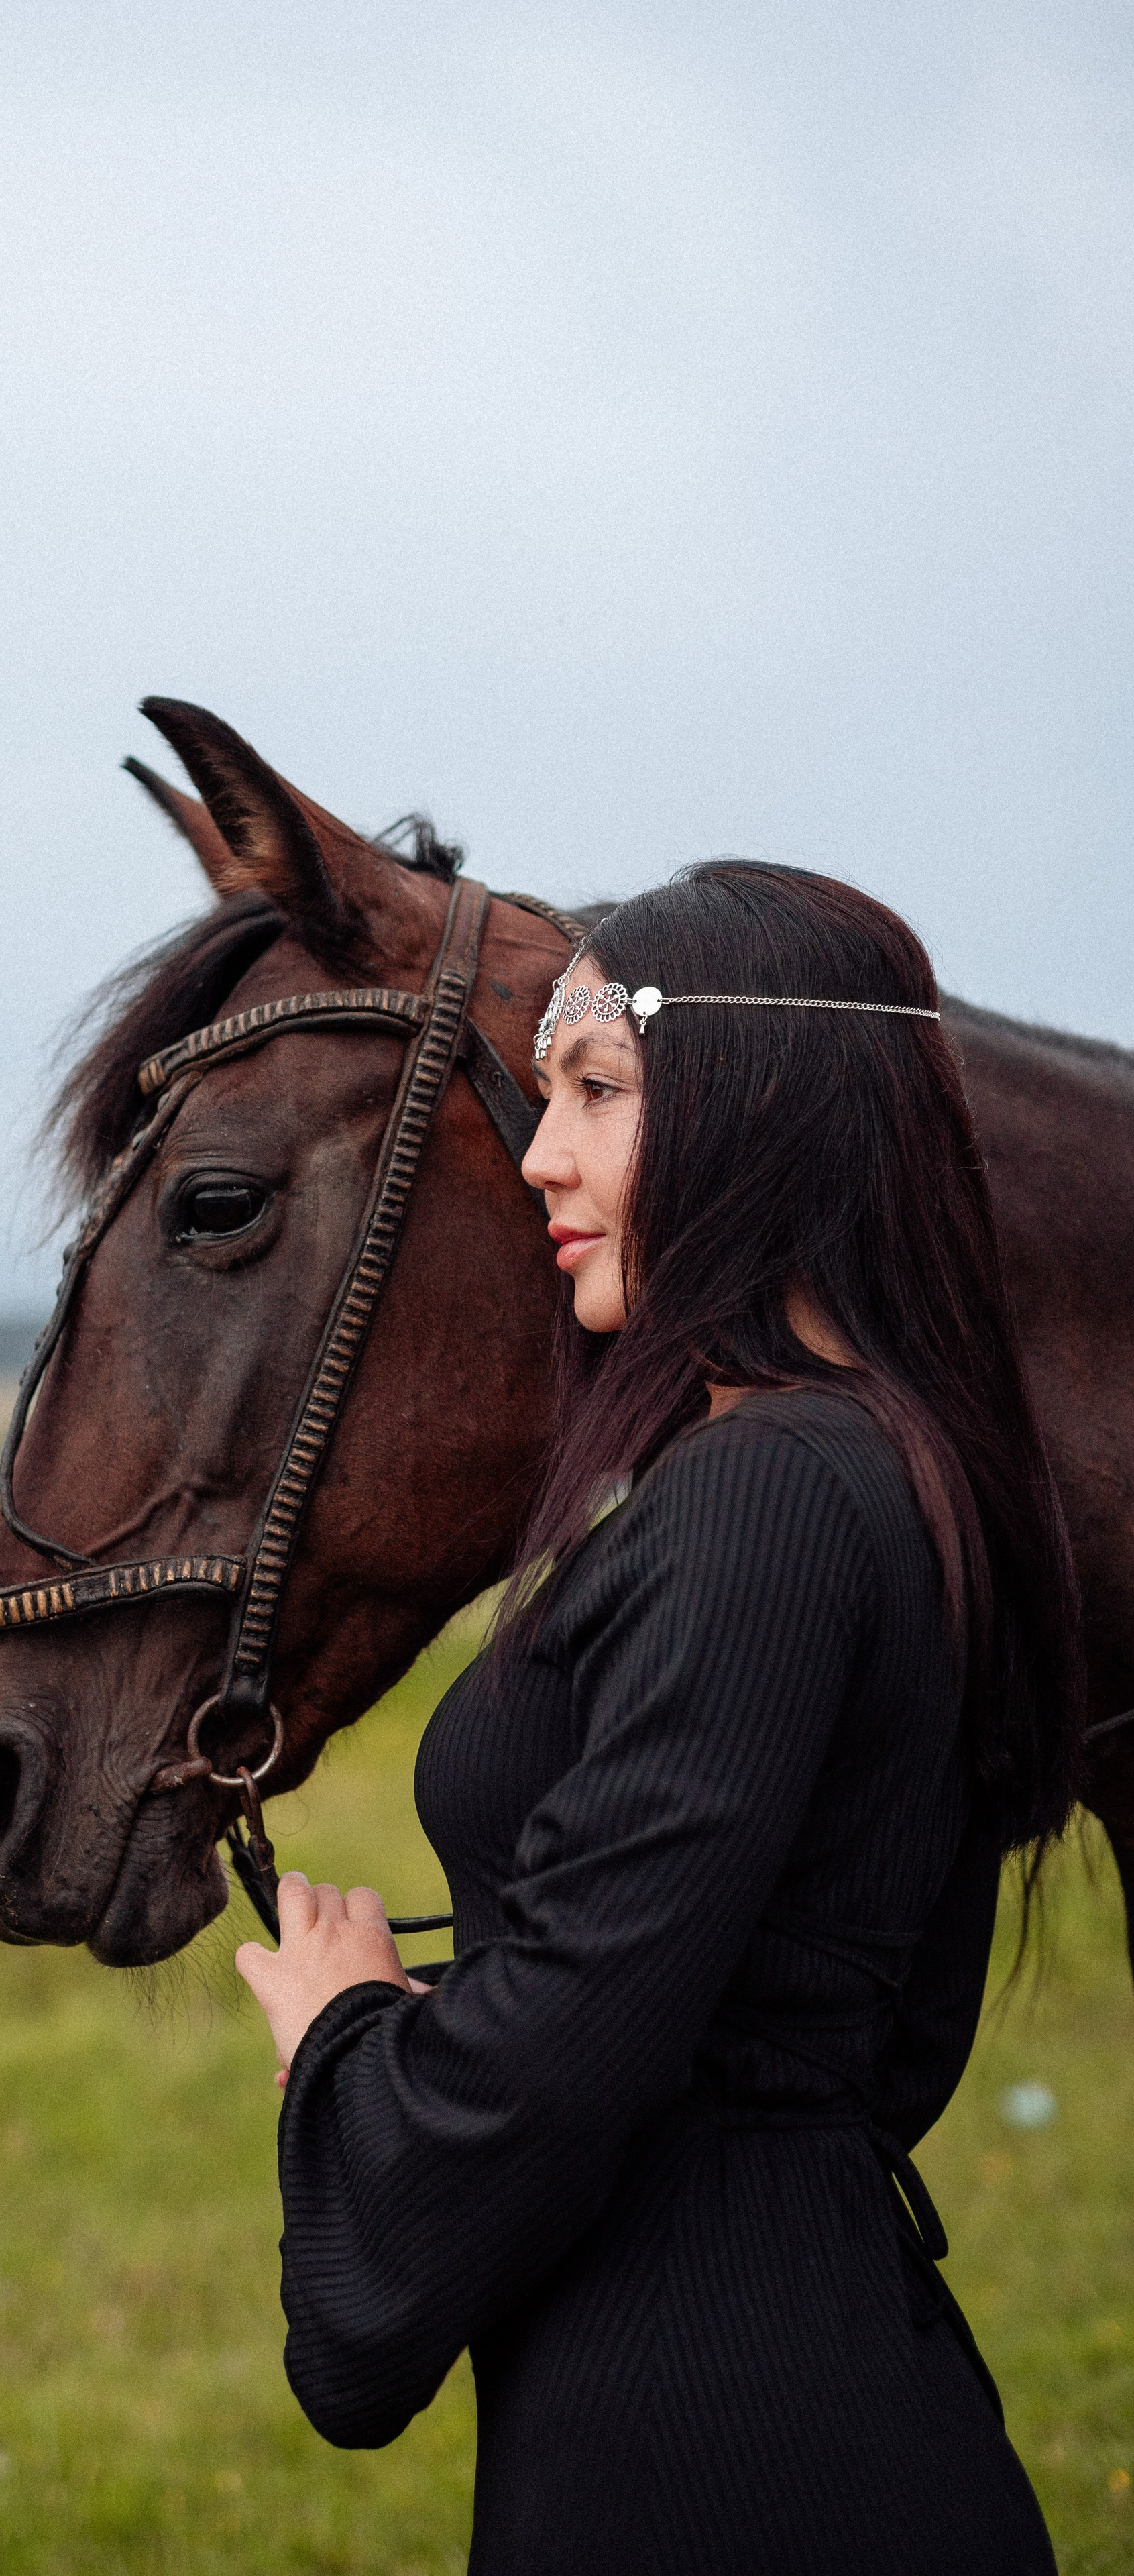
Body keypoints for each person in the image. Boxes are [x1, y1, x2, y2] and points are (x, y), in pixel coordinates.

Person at [236, 860, 1080, 2575]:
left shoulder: (765, 1499)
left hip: (727, 2449)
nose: (540, 1158)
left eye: (597, 1092)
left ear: (769, 1102)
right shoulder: (880, 1468)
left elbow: (564, 2049)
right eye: (548, 1096)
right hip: (781, 2363)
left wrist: (342, 2035)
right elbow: (841, 2018)